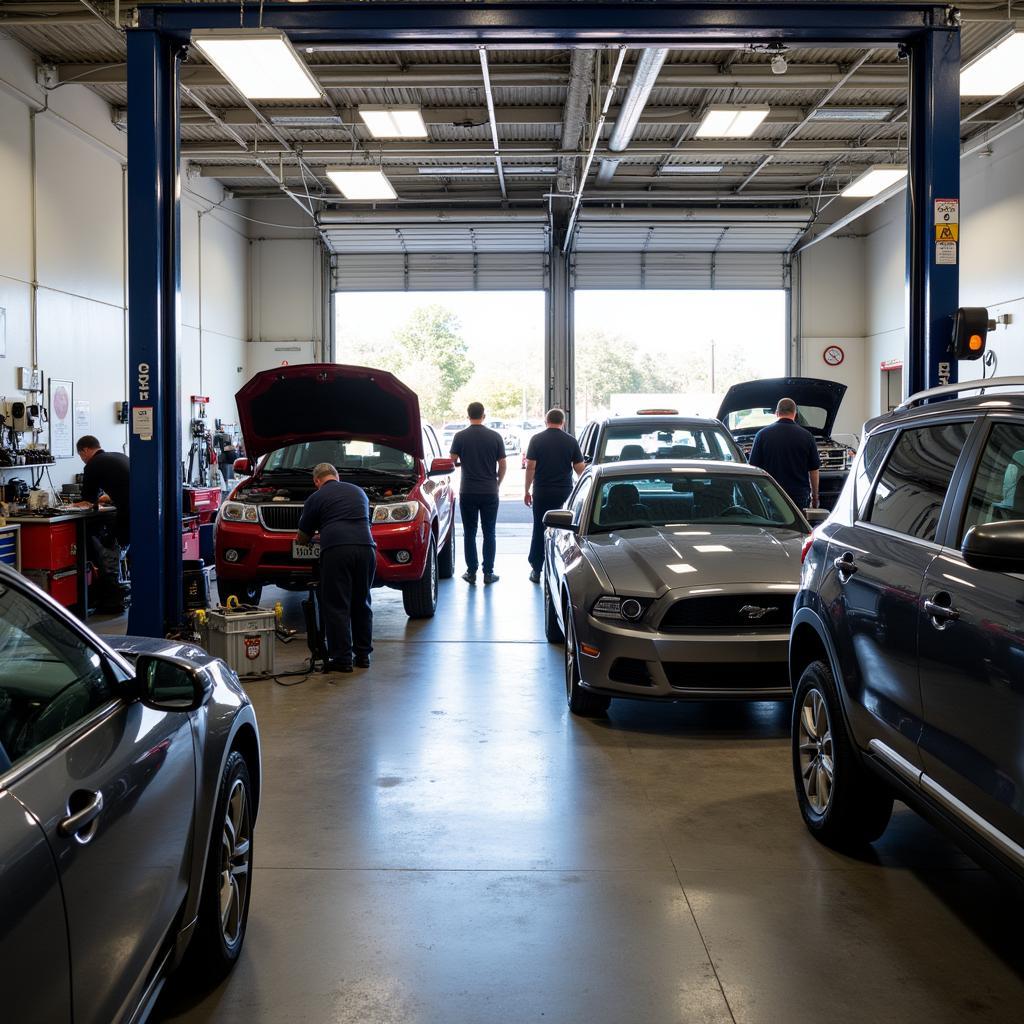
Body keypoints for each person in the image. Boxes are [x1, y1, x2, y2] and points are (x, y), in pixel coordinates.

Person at [296, 463, 375, 673]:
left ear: (316, 481)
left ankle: (342, 659)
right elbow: (365, 523)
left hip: (337, 551)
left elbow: (302, 539)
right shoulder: (359, 492)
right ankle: (363, 655)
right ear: (337, 476)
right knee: (362, 601)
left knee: (337, 605)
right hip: (367, 549)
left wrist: (317, 536)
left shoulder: (316, 497)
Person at [524, 408, 586, 583]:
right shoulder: (571, 441)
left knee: (539, 528)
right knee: (564, 531)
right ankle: (563, 566)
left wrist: (527, 490)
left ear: (546, 421)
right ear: (563, 422)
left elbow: (531, 467)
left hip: (542, 492)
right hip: (564, 494)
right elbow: (580, 469)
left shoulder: (536, 440)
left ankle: (537, 570)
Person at [450, 401, 506, 585]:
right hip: (490, 491)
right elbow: (503, 464)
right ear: (484, 415)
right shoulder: (495, 436)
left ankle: (471, 572)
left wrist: (461, 463)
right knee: (489, 532)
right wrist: (497, 482)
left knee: (469, 532)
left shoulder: (460, 436)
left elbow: (452, 462)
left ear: (468, 415)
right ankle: (488, 573)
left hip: (468, 491)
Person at [748, 397, 821, 509]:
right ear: (795, 414)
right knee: (798, 526)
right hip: (799, 495)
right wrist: (815, 497)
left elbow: (753, 468)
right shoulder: (807, 436)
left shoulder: (762, 435)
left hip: (771, 494)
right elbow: (814, 471)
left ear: (776, 413)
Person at [74, 435, 131, 547]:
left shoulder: (92, 464)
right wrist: (108, 497)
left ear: (85, 450)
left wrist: (70, 506)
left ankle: (103, 563)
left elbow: (88, 501)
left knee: (110, 541)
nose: (82, 459)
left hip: (128, 510)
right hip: (143, 506)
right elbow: (125, 484)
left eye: (81, 455)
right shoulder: (120, 456)